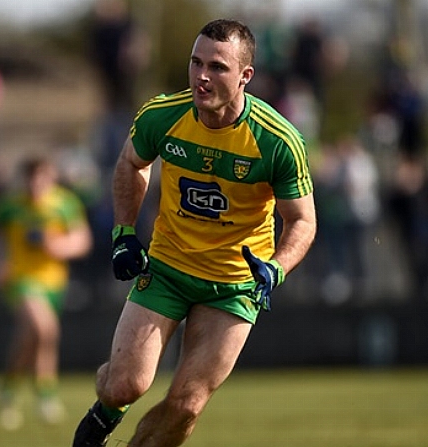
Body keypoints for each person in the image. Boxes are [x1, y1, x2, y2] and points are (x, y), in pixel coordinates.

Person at [71, 19, 316, 447]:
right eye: (195, 62)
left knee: (187, 404)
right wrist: (124, 233)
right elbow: (132, 163)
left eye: (218, 67)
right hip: (167, 267)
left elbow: (302, 221)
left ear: (245, 76)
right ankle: (106, 408)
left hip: (234, 285)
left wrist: (275, 269)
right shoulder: (163, 114)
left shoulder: (278, 140)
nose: (202, 76)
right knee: (124, 386)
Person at [0, 156, 92, 430]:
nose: (36, 184)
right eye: (31, 178)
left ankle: (7, 392)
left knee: (31, 338)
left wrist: (59, 247)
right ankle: (46, 396)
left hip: (54, 281)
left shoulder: (64, 203)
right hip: (20, 279)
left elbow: (82, 240)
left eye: (42, 178)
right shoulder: (9, 205)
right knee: (44, 330)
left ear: (51, 178)